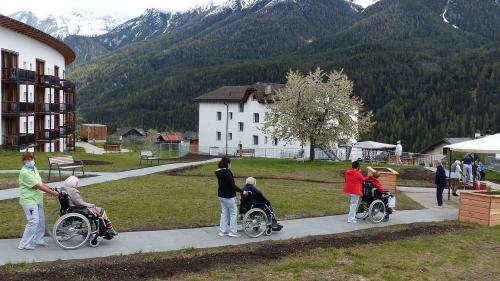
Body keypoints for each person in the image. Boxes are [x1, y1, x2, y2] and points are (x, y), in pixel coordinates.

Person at [18, 152, 59, 250]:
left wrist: (50, 188)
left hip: (37, 199)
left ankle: (38, 241)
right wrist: (53, 193)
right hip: (29, 200)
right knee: (33, 221)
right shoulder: (24, 172)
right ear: (23, 161)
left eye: (31, 159)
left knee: (41, 221)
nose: (30, 161)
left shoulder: (34, 169)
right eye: (27, 160)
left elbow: (40, 183)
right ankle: (23, 244)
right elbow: (38, 186)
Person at [215, 157, 247, 237]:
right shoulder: (227, 172)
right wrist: (242, 191)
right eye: (230, 163)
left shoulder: (219, 172)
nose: (231, 165)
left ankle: (223, 231)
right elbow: (232, 185)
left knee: (224, 213)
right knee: (233, 213)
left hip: (221, 195)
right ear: (227, 164)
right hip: (229, 196)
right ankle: (233, 232)